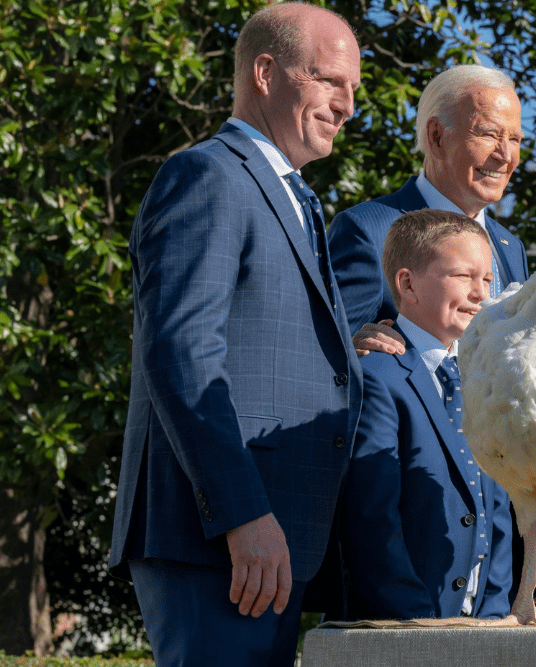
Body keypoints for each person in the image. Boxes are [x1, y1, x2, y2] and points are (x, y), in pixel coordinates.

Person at [108, 5, 362, 665]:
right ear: (266, 73)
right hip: (220, 539)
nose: (347, 105)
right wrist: (242, 514)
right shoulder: (207, 175)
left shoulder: (294, 197)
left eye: (353, 88)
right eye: (330, 80)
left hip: (277, 541)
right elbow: (182, 354)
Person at [339, 209, 514, 620]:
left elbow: (497, 509)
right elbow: (372, 520)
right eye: (463, 276)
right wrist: (420, 625)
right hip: (406, 626)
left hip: (483, 624)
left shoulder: (487, 382)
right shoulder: (378, 377)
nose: (481, 293)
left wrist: (493, 613)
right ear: (407, 284)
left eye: (488, 279)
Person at [328, 64, 530, 345]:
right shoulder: (367, 231)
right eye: (488, 134)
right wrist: (355, 348)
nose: (505, 155)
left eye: (515, 139)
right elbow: (328, 352)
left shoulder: (511, 248)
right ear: (436, 137)